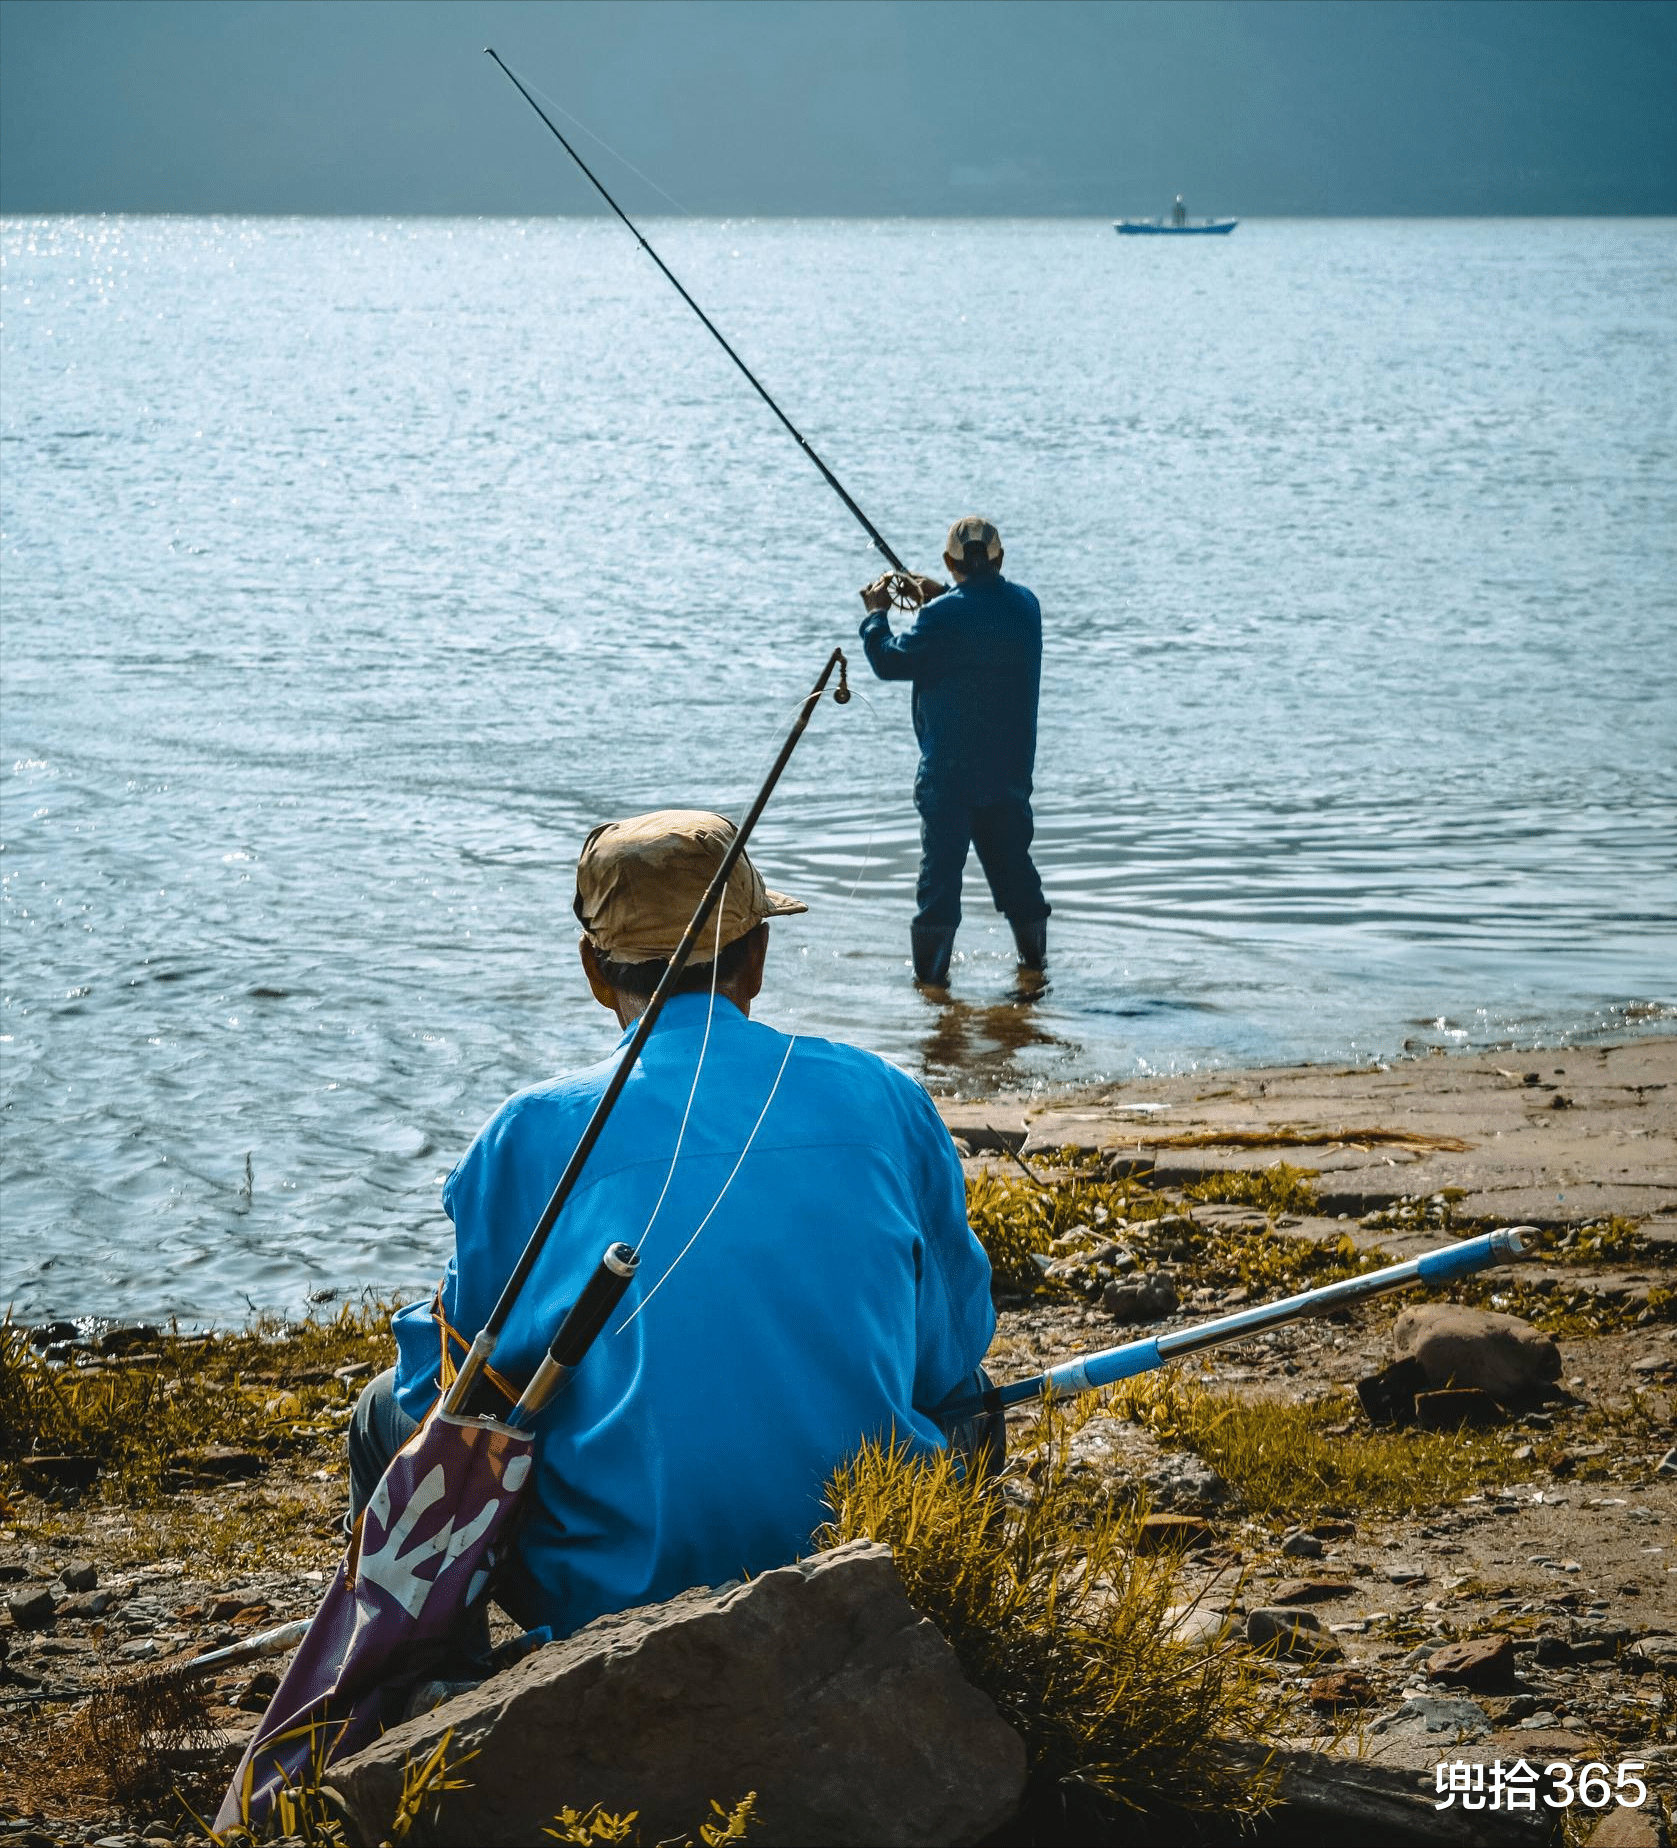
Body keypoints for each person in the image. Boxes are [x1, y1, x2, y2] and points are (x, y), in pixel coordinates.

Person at [346, 809, 998, 1640]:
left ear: (592, 968)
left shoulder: (530, 1131)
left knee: (382, 1416)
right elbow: (952, 1350)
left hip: (608, 1593)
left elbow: (457, 1389)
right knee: (970, 1399)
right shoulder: (883, 1095)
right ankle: (931, 1638)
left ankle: (434, 1684)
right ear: (756, 958)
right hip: (868, 1548)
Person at [859, 516, 1051, 988]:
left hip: (949, 778)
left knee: (939, 885)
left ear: (950, 560)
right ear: (999, 558)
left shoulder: (942, 618)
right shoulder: (1026, 606)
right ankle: (1035, 973)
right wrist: (943, 593)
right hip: (1009, 773)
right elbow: (978, 618)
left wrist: (875, 615)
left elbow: (889, 661)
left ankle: (932, 992)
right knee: (1016, 876)